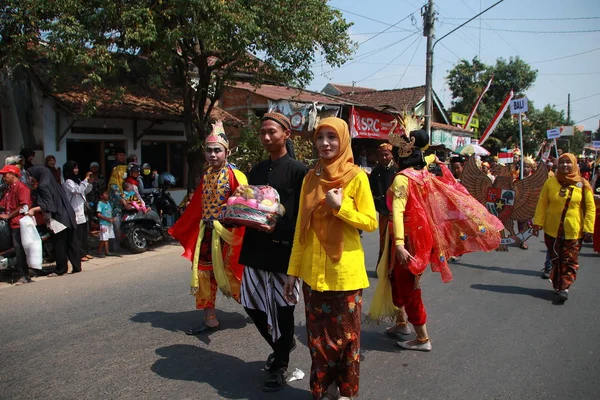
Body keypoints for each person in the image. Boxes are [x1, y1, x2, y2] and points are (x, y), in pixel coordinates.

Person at [369, 128, 503, 353]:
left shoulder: (403, 179)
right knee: (392, 277)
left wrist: (400, 244)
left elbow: (399, 212)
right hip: (416, 236)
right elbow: (429, 157)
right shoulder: (422, 173)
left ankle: (422, 337)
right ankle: (402, 324)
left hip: (408, 240)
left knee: (408, 285)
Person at [284, 117, 377, 400]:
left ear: (343, 141)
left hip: (345, 273)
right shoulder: (310, 179)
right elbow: (301, 226)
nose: (325, 143)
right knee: (319, 342)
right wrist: (292, 272)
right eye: (320, 137)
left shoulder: (357, 177)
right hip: (313, 275)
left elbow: (370, 222)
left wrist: (341, 208)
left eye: (332, 137)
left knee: (347, 341)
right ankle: (323, 391)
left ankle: (346, 393)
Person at [237, 113, 308, 392]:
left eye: (272, 132)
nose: (266, 137)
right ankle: (282, 344)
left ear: (286, 134)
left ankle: (280, 365)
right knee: (251, 303)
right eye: (263, 132)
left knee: (283, 309)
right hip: (255, 248)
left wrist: (278, 229)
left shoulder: (299, 171)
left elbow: (303, 216)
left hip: (284, 251)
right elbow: (252, 204)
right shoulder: (256, 171)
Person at [168, 121, 247, 335]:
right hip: (207, 233)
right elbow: (197, 206)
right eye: (209, 150)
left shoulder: (235, 175)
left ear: (227, 152)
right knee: (204, 273)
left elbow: (246, 205)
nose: (212, 155)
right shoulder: (207, 175)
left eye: (217, 150)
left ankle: (261, 311)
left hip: (229, 235)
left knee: (236, 275)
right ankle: (210, 319)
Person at [532, 153, 596, 302]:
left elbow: (590, 208)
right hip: (552, 229)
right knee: (555, 258)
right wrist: (537, 223)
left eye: (568, 163)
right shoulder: (550, 183)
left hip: (574, 230)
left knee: (569, 260)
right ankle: (558, 284)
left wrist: (588, 228)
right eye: (562, 163)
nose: (565, 165)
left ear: (574, 165)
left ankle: (564, 288)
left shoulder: (583, 184)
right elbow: (542, 204)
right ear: (557, 165)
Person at [27, 166, 81, 276]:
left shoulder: (43, 186)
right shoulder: (55, 184)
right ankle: (76, 267)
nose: (31, 178)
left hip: (58, 218)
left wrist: (33, 210)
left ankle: (61, 270)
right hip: (68, 215)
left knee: (59, 244)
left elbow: (48, 205)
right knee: (70, 242)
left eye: (31, 175)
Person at [0, 165, 32, 285]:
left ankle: (24, 275)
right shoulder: (9, 189)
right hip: (10, 225)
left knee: (19, 251)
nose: (3, 177)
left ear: (13, 175)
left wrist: (9, 216)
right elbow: (3, 203)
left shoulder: (22, 188)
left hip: (19, 224)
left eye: (5, 174)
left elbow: (24, 206)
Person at [369, 142, 398, 263]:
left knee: (396, 239)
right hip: (382, 211)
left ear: (391, 155)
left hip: (397, 211)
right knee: (383, 238)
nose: (384, 157)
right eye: (381, 155)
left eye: (386, 154)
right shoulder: (376, 172)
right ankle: (382, 265)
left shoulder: (397, 170)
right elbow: (372, 190)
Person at [63, 161, 94, 261]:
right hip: (74, 211)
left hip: (82, 210)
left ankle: (85, 252)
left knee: (84, 234)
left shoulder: (77, 180)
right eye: (74, 168)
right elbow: (77, 190)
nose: (77, 170)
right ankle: (79, 254)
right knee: (77, 236)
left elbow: (85, 191)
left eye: (77, 168)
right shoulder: (68, 182)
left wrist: (89, 183)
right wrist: (85, 180)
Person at [108, 148, 128, 249]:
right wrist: (124, 202)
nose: (123, 174)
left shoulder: (127, 167)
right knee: (116, 225)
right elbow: (116, 192)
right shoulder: (114, 179)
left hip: (125, 202)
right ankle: (115, 246)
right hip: (116, 205)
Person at [96, 190, 119, 258]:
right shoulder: (100, 203)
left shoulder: (108, 203)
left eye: (107, 194)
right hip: (104, 223)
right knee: (104, 239)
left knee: (107, 238)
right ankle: (100, 252)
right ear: (101, 196)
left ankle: (106, 251)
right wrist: (107, 219)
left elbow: (110, 212)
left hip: (109, 223)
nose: (107, 195)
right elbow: (99, 214)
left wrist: (112, 218)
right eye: (105, 194)